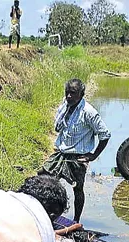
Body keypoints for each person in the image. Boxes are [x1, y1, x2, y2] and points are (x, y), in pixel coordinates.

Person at [39, 79, 111, 222]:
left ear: (81, 94)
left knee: (77, 189)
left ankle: (76, 220)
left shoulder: (88, 112)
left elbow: (105, 135)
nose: (69, 96)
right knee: (44, 178)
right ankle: (46, 216)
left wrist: (93, 155)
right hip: (61, 154)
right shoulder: (65, 107)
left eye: (73, 93)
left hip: (78, 157)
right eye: (67, 93)